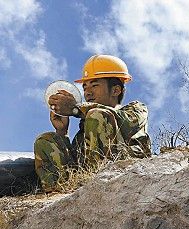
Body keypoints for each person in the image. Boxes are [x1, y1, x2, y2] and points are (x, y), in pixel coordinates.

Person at [33, 54, 151, 191]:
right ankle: (61, 193)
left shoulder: (136, 109)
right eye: (85, 87)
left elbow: (123, 122)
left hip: (122, 180)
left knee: (96, 115)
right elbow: (74, 162)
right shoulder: (87, 123)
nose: (87, 93)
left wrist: (76, 109)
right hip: (81, 191)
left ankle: (98, 184)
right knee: (46, 140)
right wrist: (62, 132)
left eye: (94, 85)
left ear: (116, 90)